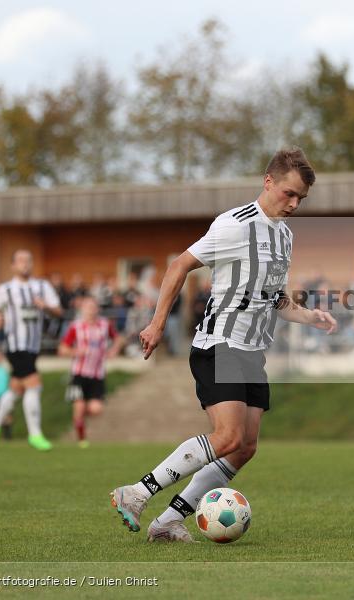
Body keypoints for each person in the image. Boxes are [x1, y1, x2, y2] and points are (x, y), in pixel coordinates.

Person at [109, 148, 337, 542]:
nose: (295, 203)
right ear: (268, 182)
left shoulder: (284, 235)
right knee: (228, 436)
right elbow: (180, 265)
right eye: (289, 193)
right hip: (220, 344)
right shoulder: (234, 225)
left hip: (252, 352)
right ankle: (136, 493)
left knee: (244, 447)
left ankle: (167, 522)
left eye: (301, 198)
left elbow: (275, 299)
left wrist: (309, 315)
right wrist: (157, 322)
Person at [0, 249, 63, 451]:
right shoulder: (6, 289)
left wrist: (44, 305)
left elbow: (59, 311)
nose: (25, 264)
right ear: (13, 265)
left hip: (32, 346)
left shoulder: (42, 286)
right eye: (20, 261)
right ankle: (35, 434)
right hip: (15, 345)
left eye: (28, 260)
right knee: (34, 385)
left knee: (16, 389)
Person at [58, 297, 121, 448]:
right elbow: (62, 349)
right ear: (82, 309)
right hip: (78, 374)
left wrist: (114, 350)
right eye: (87, 307)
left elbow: (118, 339)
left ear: (97, 309)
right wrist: (75, 351)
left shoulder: (105, 325)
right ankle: (82, 440)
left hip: (97, 374)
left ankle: (81, 412)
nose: (91, 310)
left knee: (96, 409)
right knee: (79, 408)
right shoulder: (76, 327)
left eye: (93, 307)